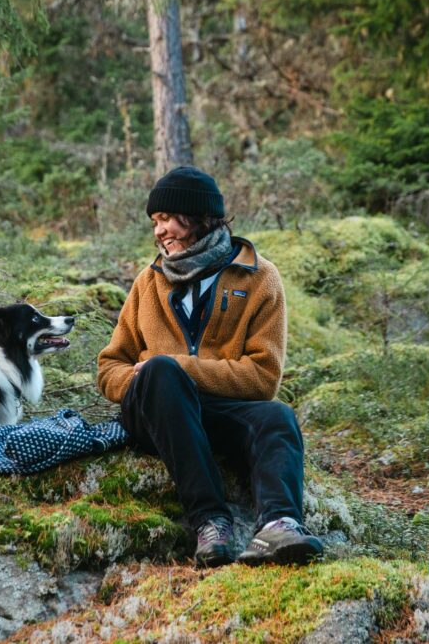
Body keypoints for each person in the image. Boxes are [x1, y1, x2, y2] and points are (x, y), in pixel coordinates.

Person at [96, 166, 322, 567]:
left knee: (277, 416)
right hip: (155, 413)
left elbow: (264, 377)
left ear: (198, 219)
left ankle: (279, 526)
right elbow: (110, 364)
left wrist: (180, 367)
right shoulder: (148, 282)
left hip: (217, 412)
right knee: (160, 374)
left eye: (166, 219)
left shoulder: (259, 278)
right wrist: (138, 378)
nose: (159, 231)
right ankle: (210, 520)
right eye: (155, 222)